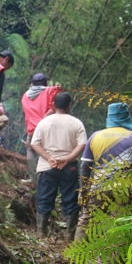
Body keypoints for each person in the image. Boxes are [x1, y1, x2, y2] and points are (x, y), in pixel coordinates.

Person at [75, 102, 132, 241]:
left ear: (109, 117)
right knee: (119, 224)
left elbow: (85, 167)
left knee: (86, 223)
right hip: (125, 190)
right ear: (127, 116)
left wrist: (84, 191)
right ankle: (113, 262)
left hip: (99, 188)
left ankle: (78, 260)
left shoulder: (95, 137)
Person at [29, 92, 87, 240]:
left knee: (44, 199)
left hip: (47, 167)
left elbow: (34, 144)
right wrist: (67, 159)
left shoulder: (44, 122)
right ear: (69, 105)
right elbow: (82, 144)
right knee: (70, 200)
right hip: (69, 167)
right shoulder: (76, 123)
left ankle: (41, 234)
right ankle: (69, 236)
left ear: (54, 105)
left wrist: (49, 158)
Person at [21, 73, 62, 185]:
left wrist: (29, 130)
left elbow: (27, 115)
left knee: (31, 151)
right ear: (46, 83)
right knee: (50, 152)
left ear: (32, 84)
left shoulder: (25, 96)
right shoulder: (50, 91)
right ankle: (51, 180)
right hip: (48, 128)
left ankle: (34, 179)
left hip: (32, 129)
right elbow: (53, 108)